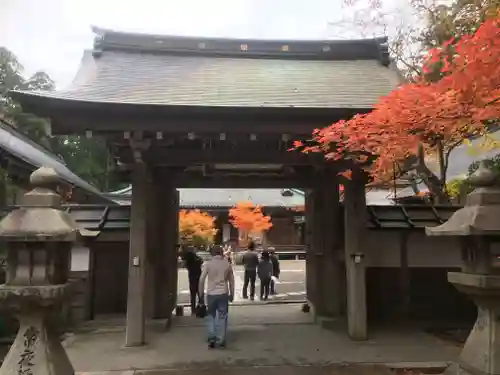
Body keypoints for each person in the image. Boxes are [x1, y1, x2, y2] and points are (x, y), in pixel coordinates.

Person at [199, 245, 235, 348]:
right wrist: (232, 294)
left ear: (212, 253)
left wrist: (201, 293)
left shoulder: (208, 264)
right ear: (221, 253)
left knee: (211, 315)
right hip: (223, 293)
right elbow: (231, 281)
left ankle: (212, 337)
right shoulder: (227, 264)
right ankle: (221, 339)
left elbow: (201, 279)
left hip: (211, 293)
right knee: (223, 316)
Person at [183, 247, 204, 315]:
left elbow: (185, 265)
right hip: (198, 279)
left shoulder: (189, 263)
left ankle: (193, 310)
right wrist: (196, 255)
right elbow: (201, 261)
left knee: (193, 295)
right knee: (200, 294)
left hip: (192, 279)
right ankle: (201, 308)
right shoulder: (197, 261)